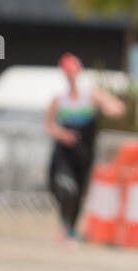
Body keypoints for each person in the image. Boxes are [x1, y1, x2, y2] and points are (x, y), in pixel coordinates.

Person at [45, 54, 125, 243]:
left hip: (84, 153)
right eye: (67, 73)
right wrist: (62, 135)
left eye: (73, 72)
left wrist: (108, 109)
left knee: (79, 191)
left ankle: (70, 229)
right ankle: (64, 222)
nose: (71, 76)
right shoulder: (59, 99)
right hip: (63, 153)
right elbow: (48, 125)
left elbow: (118, 107)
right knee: (63, 188)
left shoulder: (91, 95)